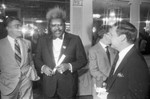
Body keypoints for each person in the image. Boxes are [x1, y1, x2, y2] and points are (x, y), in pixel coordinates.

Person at [34, 7, 87, 99]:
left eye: (60, 25)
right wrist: (43, 67)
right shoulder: (42, 40)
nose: (57, 28)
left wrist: (69, 66)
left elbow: (83, 60)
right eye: (53, 25)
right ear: (49, 26)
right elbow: (37, 59)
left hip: (68, 86)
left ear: (64, 25)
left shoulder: (75, 39)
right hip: (48, 85)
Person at [98, 21, 150, 99]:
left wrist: (108, 96)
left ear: (122, 38)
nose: (108, 37)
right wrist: (106, 84)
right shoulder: (121, 55)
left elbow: (137, 96)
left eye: (111, 35)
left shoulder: (136, 62)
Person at [0, 17, 39, 99]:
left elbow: (30, 61)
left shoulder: (27, 43)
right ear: (8, 28)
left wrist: (31, 74)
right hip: (8, 84)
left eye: (20, 26)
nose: (20, 28)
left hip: (26, 82)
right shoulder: (1, 44)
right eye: (17, 26)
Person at [88, 25, 118, 99]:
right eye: (112, 34)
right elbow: (93, 70)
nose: (114, 37)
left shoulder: (114, 50)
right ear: (105, 35)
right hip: (100, 84)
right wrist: (108, 79)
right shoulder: (93, 50)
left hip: (114, 85)